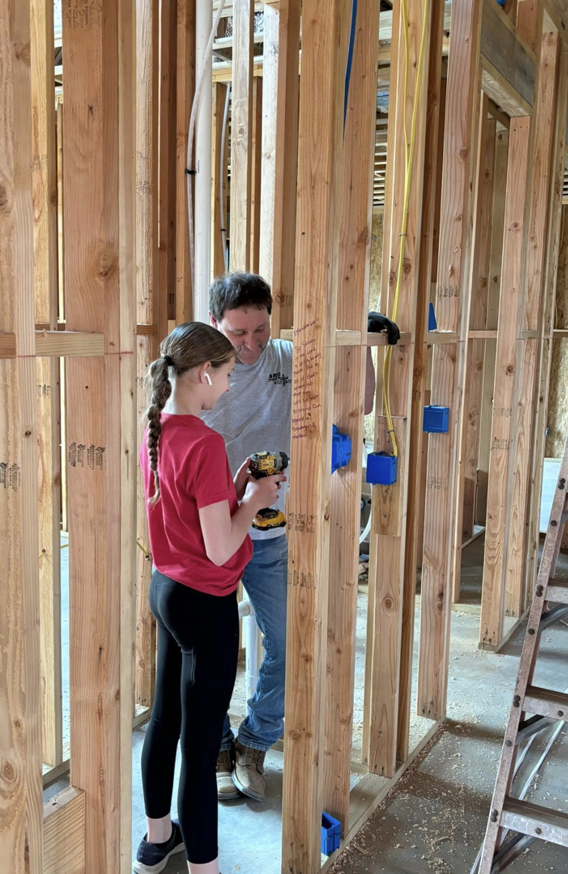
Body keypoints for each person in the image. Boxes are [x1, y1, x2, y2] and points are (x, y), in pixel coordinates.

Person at [203, 272, 399, 802]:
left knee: (289, 644)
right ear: (215, 322)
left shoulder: (289, 358)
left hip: (270, 533)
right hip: (211, 537)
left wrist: (364, 343)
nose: (250, 345)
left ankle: (254, 741)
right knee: (210, 654)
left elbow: (359, 402)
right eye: (238, 333)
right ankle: (217, 747)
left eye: (260, 330)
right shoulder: (199, 369)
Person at [134, 321, 285, 874]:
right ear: (204, 373)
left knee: (165, 723)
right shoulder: (205, 440)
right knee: (201, 751)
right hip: (205, 601)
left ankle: (157, 841)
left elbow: (191, 513)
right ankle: (206, 867)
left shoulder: (160, 428)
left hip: (167, 592)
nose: (227, 387)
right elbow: (222, 548)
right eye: (225, 376)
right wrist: (257, 497)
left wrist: (235, 487)